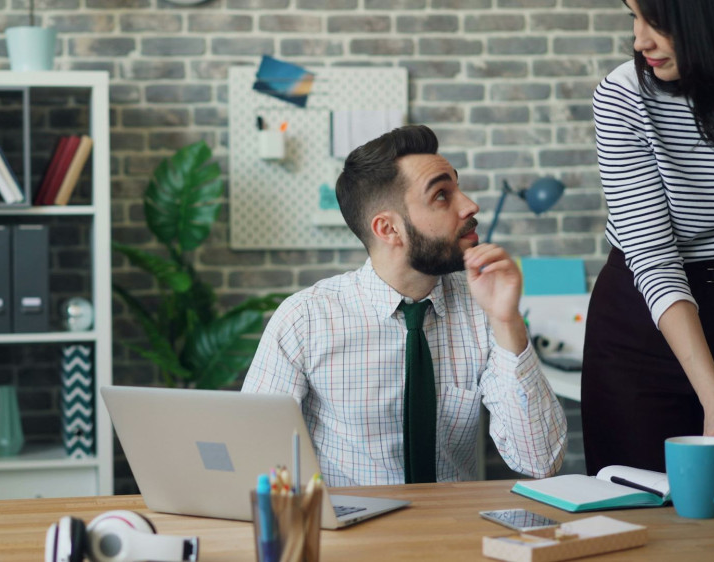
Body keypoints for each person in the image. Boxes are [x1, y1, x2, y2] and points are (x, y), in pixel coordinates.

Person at [241, 125, 567, 487]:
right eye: (441, 195)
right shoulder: (304, 320)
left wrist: (507, 321)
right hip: (348, 520)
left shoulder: (483, 307)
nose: (470, 205)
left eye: (457, 187)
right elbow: (255, 457)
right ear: (388, 229)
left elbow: (540, 461)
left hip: (456, 520)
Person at [582, 0, 714, 496]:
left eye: (658, 22)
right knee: (638, 509)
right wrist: (712, 393)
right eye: (633, 18)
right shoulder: (623, 96)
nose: (640, 40)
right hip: (641, 321)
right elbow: (654, 258)